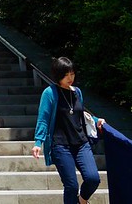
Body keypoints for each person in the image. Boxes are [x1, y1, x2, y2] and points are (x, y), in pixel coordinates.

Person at [31, 57, 104, 204]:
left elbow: (80, 114)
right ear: (58, 75)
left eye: (72, 74)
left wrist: (97, 121)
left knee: (93, 179)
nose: (70, 78)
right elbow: (43, 118)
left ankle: (82, 201)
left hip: (81, 143)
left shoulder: (77, 92)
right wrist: (38, 142)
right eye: (66, 75)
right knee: (71, 185)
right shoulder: (50, 93)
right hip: (60, 145)